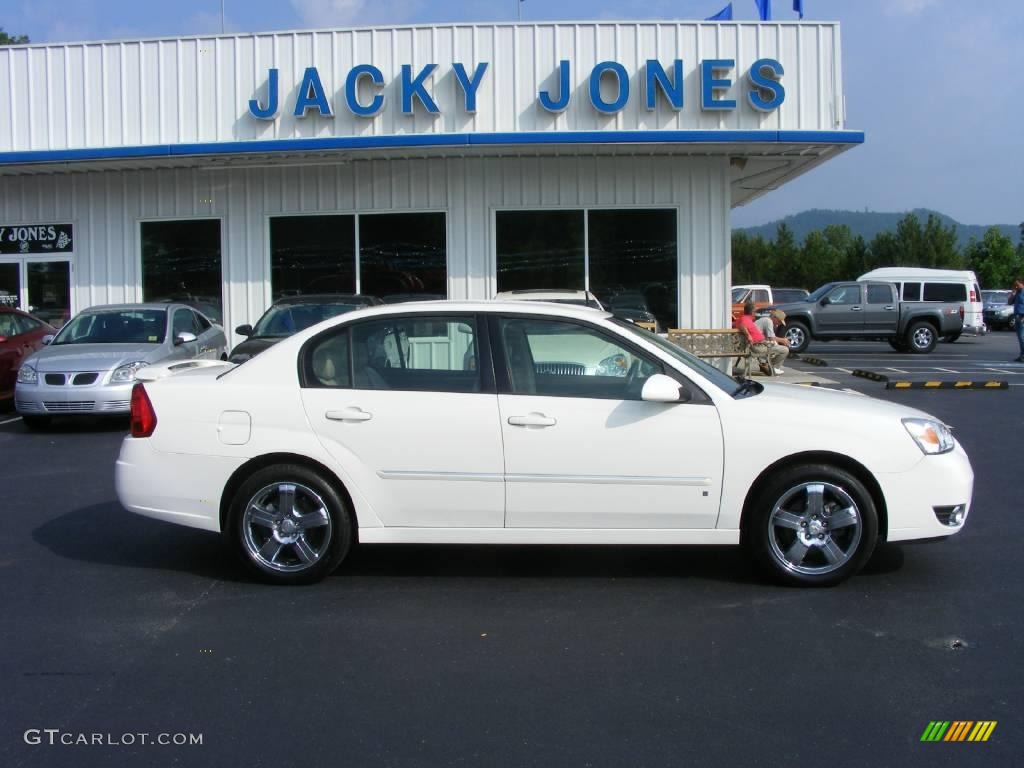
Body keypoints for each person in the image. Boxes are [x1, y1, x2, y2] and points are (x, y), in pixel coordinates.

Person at [732, 301, 775, 376]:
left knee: (777, 347)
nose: (755, 313)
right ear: (752, 312)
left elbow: (736, 324)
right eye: (755, 311)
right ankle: (770, 367)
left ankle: (766, 366)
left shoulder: (744, 319)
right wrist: (748, 335)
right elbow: (742, 325)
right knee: (783, 350)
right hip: (756, 346)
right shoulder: (745, 320)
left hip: (756, 344)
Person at [754, 308, 791, 374]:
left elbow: (769, 338)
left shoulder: (765, 320)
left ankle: (769, 366)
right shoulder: (768, 321)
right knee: (785, 350)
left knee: (780, 348)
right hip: (756, 346)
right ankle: (772, 367)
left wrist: (780, 342)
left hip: (755, 344)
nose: (779, 324)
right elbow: (772, 338)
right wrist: (783, 340)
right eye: (779, 321)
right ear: (774, 317)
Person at [1010, 277, 1024, 362]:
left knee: (1022, 337)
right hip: (1017, 316)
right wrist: (1013, 294)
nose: (1016, 286)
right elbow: (1009, 302)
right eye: (1015, 285)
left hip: (1023, 316)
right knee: (1020, 337)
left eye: (1017, 285)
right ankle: (1022, 355)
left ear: (1022, 284)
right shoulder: (1017, 293)